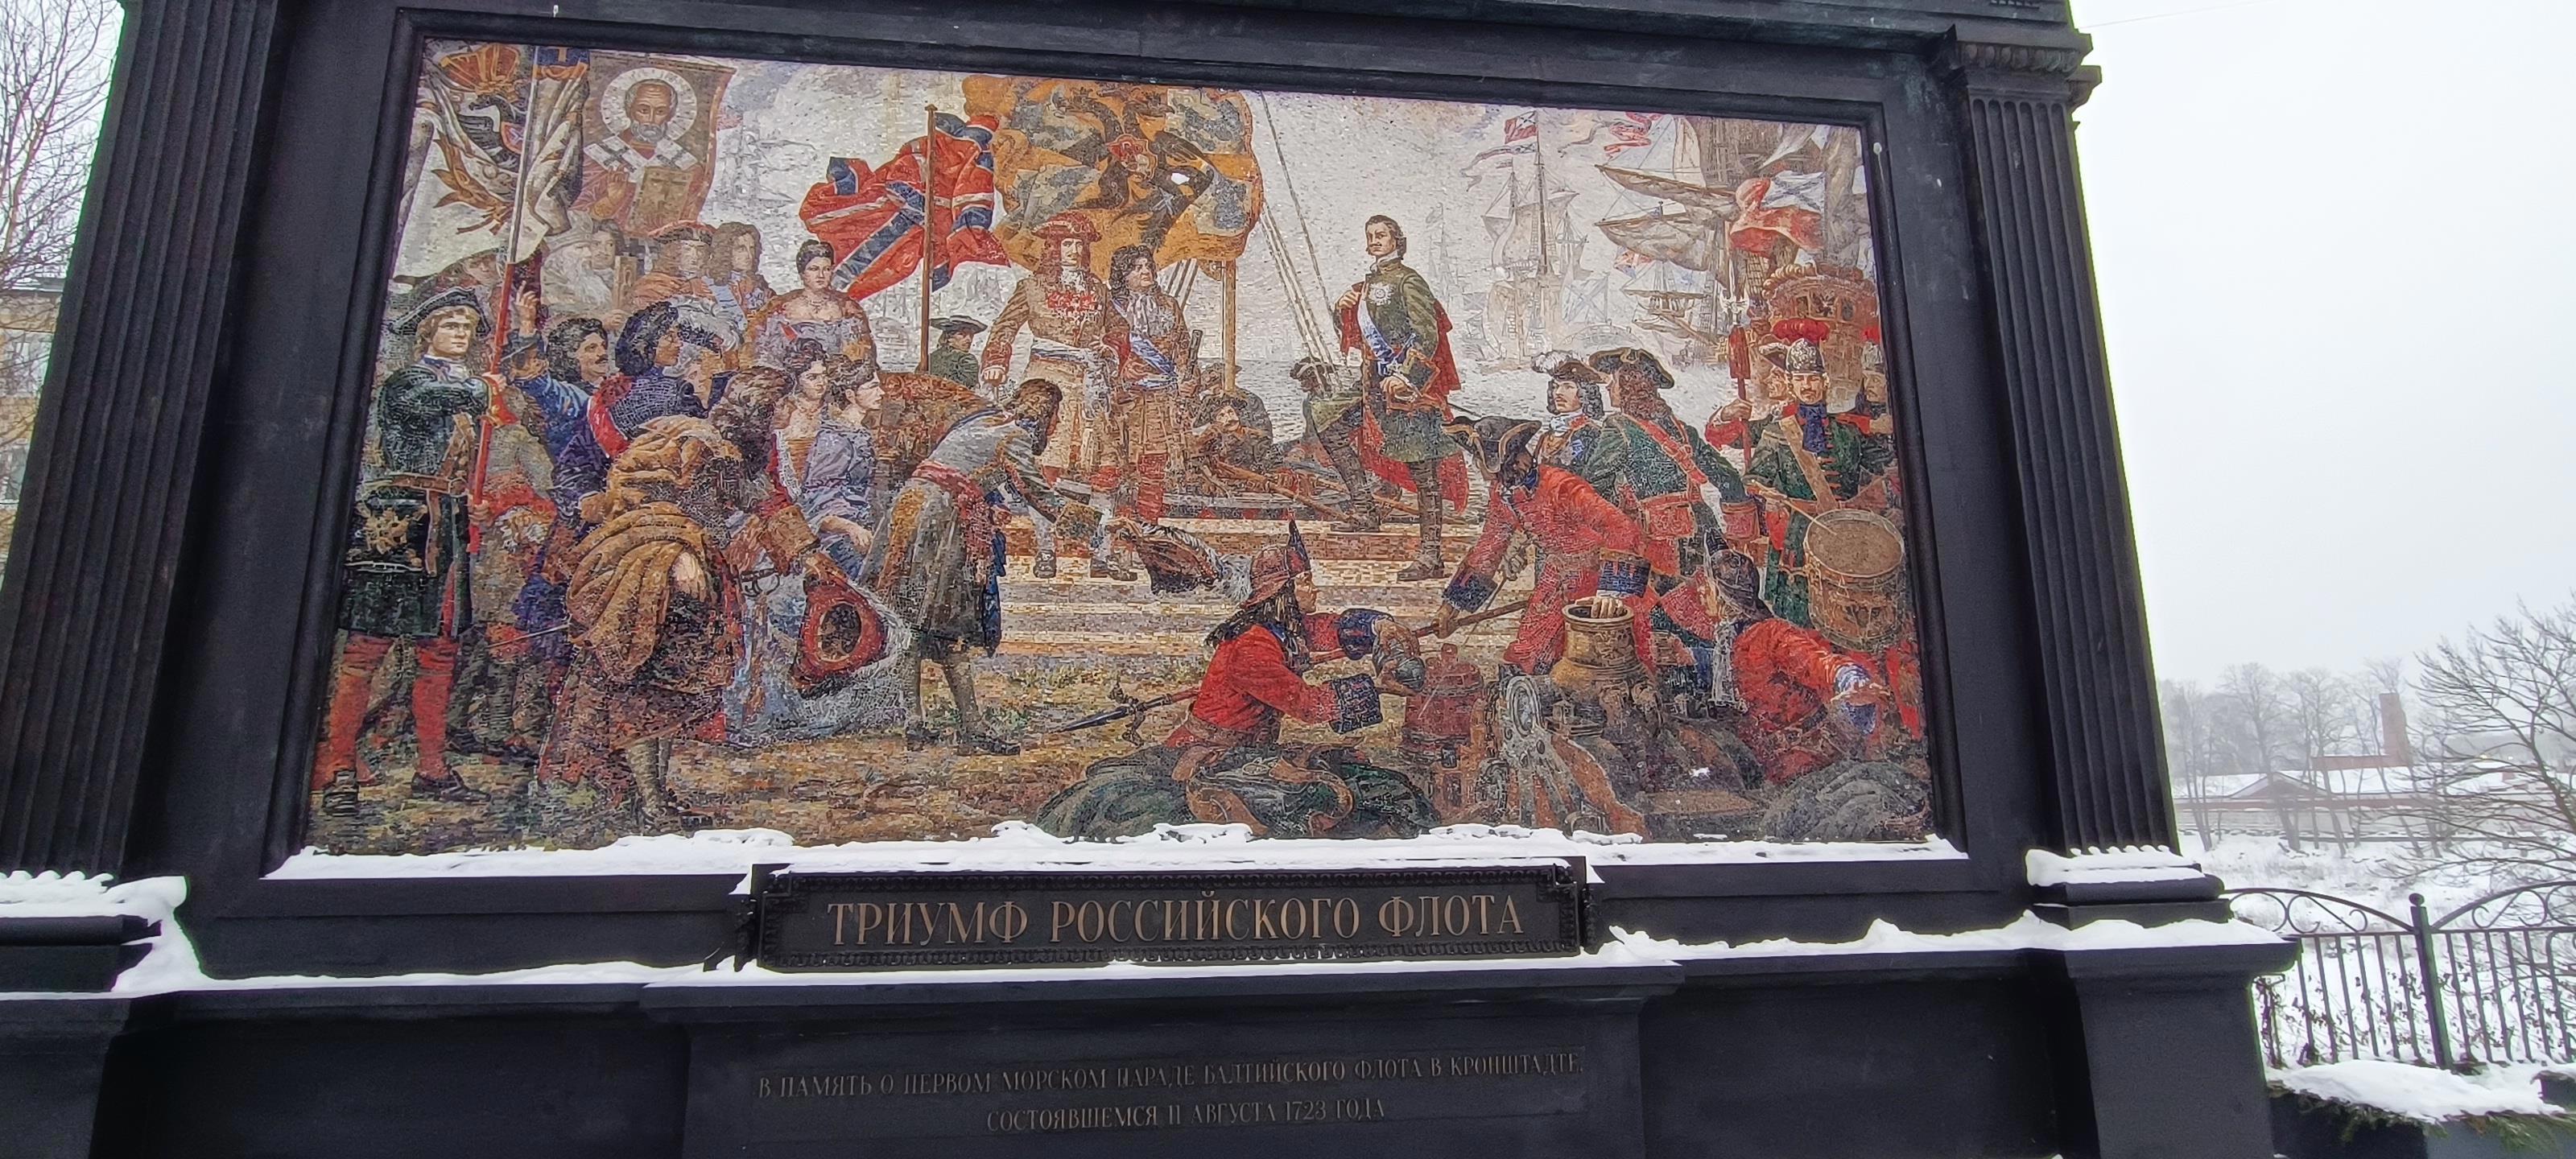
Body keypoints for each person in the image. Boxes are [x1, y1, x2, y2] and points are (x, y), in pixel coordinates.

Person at [1033, 539, 1437, 840]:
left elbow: (1334, 627)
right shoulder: (1252, 647)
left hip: (1250, 754)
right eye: (1306, 582)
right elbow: (1309, 706)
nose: (1315, 590)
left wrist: (1381, 628)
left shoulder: (1285, 628)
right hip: (1214, 757)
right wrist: (1377, 687)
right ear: (1284, 592)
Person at [313, 287, 495, 815]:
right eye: (451, 325)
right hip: (400, 523)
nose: (461, 334)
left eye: (468, 327)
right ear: (428, 332)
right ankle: (340, 767)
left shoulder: (461, 386)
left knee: (438, 651)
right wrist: (482, 389)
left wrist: (469, 500)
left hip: (448, 523)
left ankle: (431, 768)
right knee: (366, 650)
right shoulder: (409, 383)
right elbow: (435, 402)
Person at [873, 381, 1105, 754]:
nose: (1058, 425)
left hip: (909, 511)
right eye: (1057, 417)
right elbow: (1039, 495)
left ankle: (914, 723)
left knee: (912, 622)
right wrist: (1099, 530)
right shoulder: (1014, 437)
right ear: (1045, 415)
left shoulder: (983, 421)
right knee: (949, 627)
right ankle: (972, 729)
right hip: (941, 519)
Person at [726, 349, 890, 745]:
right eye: (779, 404)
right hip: (751, 545)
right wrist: (806, 543)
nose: (789, 409)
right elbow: (778, 502)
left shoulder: (769, 444)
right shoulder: (730, 451)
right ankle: (747, 715)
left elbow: (780, 499)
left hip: (786, 536)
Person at [1435, 423, 1652, 676]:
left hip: (1600, 581)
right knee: (1527, 657)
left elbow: (1622, 527)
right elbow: (1488, 550)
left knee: (1606, 661)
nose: (1482, 471)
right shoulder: (1503, 494)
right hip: (1556, 579)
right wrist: (1450, 608)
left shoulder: (1562, 487)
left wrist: (1611, 593)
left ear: (1514, 463)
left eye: (1482, 463)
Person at [1332, 215, 1465, 581]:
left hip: (1409, 390)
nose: (1375, 240)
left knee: (1424, 470)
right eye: (1370, 235)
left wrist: (1406, 376)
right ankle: (1365, 509)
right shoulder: (1367, 284)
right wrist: (1342, 308)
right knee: (1329, 425)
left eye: (1382, 235)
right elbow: (1357, 336)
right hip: (1373, 386)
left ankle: (1431, 555)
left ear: (1397, 241)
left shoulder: (1409, 281)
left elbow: (1427, 335)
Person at [1588, 346, 1743, 650]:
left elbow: (1593, 487)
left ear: (1629, 385)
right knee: (1706, 605)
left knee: (1649, 615)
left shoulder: (1618, 428)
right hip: (1704, 532)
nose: (1608, 388)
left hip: (1656, 540)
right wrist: (1741, 521)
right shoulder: (1683, 430)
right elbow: (1728, 478)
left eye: (1613, 381)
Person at [980, 215, 1120, 489]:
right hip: (1047, 376)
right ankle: (1040, 498)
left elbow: (1118, 326)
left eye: (1079, 244)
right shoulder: (1032, 287)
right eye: (1067, 244)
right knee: (1047, 444)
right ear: (1054, 247)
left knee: (1099, 451)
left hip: (1089, 379)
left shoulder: (1098, 289)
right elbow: (1005, 326)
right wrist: (996, 361)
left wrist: (1110, 345)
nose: (1074, 251)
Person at [1103, 244, 1196, 528]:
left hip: (1161, 401)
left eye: (1148, 266)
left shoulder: (1169, 306)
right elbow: (1100, 349)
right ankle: (1116, 532)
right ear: (1123, 274)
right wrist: (1120, 370)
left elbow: (1183, 348)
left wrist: (1189, 379)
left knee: (1155, 467)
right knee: (1115, 467)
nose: (1145, 272)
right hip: (1123, 401)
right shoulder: (1110, 307)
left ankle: (1149, 528)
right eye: (1136, 268)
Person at [576, 74, 701, 233]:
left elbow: (691, 221)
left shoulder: (687, 166)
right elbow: (575, 218)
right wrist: (610, 201)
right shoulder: (597, 157)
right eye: (643, 110)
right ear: (630, 110)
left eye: (660, 111)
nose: (651, 119)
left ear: (670, 115)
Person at [752, 237, 877, 370]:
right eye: (814, 269)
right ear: (802, 273)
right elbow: (760, 349)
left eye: (826, 269)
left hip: (835, 375)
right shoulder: (780, 306)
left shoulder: (847, 308)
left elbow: (860, 353)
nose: (821, 275)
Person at [710, 221, 775, 334]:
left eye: (751, 249)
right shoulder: (708, 286)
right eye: (741, 249)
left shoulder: (761, 287)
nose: (749, 256)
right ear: (726, 251)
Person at [922, 316, 985, 390]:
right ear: (949, 337)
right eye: (961, 334)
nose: (969, 340)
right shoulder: (930, 358)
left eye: (971, 335)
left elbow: (966, 385)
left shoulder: (967, 360)